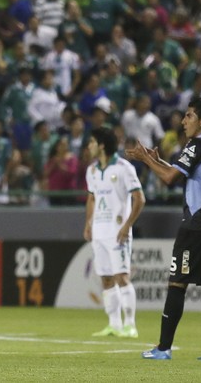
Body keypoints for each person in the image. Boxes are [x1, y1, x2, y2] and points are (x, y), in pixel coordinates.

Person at [126, 97, 201, 361]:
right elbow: (183, 173)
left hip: (197, 226)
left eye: (188, 116)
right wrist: (160, 161)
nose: (183, 121)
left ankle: (163, 348)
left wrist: (145, 160)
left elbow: (169, 178)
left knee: (177, 283)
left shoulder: (197, 144)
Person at [85, 127, 145, 338]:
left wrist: (127, 225)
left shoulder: (123, 168)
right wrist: (88, 223)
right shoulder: (92, 171)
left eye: (92, 141)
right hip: (99, 232)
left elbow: (140, 198)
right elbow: (92, 198)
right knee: (106, 279)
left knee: (121, 277)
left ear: (102, 145)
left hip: (118, 232)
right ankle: (114, 324)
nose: (89, 146)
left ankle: (130, 325)